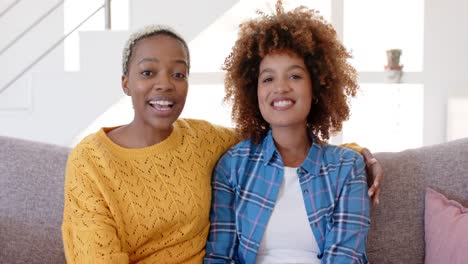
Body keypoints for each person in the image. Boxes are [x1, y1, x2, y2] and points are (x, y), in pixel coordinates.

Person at [62, 23, 381, 263]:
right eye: (148, 72)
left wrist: (356, 155)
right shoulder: (91, 160)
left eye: (178, 74)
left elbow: (281, 137)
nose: (164, 85)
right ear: (126, 82)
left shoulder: (204, 141)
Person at [205, 1, 371, 263]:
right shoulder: (233, 167)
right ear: (253, 91)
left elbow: (345, 256)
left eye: (294, 76)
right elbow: (219, 256)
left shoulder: (347, 168)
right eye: (268, 79)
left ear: (316, 87)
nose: (280, 88)